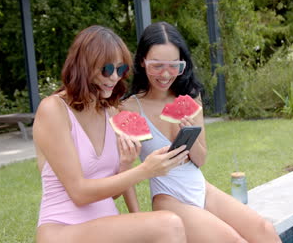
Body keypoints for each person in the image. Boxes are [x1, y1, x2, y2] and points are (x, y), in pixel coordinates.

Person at [121, 22, 282, 243]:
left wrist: (189, 133)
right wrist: (137, 216)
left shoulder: (189, 98)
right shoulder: (128, 109)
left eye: (174, 66)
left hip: (199, 186)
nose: (166, 74)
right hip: (168, 197)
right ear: (142, 62)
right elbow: (124, 171)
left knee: (265, 229)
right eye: (157, 66)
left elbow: (200, 159)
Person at [33, 25, 190, 243]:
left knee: (172, 225)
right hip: (63, 229)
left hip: (104, 226)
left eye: (121, 69)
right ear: (84, 66)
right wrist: (144, 170)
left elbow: (112, 193)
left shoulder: (111, 112)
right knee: (169, 224)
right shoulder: (53, 109)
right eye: (107, 69)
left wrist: (125, 165)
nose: (114, 77)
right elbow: (79, 193)